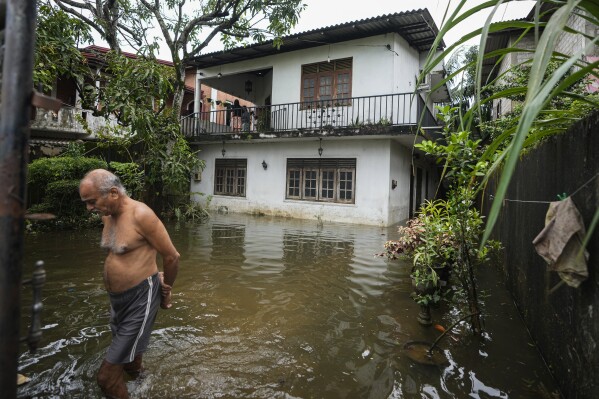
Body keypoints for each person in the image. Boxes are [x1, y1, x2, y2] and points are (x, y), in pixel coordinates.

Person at [79, 169, 180, 399]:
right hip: (117, 302)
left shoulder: (142, 215)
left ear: (113, 193)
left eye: (92, 201)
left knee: (106, 378)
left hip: (140, 298)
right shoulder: (108, 216)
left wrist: (167, 287)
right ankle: (147, 383)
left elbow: (172, 256)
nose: (89, 208)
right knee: (130, 363)